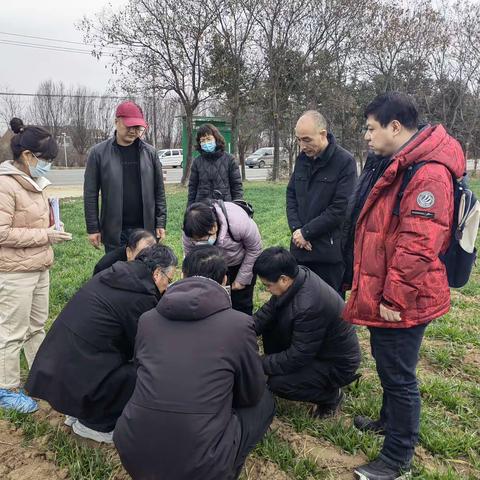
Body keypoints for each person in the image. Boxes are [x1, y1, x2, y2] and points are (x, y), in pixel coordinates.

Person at [343, 92, 465, 480]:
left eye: (370, 127)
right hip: (388, 289)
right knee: (388, 363)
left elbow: (419, 243)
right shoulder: (399, 163)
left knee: (398, 374)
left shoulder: (427, 173)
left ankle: (397, 458)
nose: (366, 135)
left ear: (395, 127)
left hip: (403, 297)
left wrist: (393, 295)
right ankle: (387, 421)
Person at [114, 246, 275, 480]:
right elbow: (250, 394)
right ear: (224, 280)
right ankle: (229, 468)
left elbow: (140, 372)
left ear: (182, 275)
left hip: (132, 450)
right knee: (265, 401)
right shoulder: (238, 325)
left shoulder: (148, 320)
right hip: (203, 465)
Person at [25, 245, 178, 443]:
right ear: (157, 273)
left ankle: (80, 412)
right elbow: (146, 346)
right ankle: (95, 425)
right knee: (144, 372)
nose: (167, 287)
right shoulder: (140, 295)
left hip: (58, 371)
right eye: (169, 280)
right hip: (82, 378)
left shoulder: (117, 274)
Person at [0, 118, 72, 414]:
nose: (49, 166)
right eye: (47, 160)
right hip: (14, 272)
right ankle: (6, 388)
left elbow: (31, 222)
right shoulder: (6, 185)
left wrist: (52, 226)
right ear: (28, 156)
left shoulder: (36, 183)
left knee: (36, 327)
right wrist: (45, 234)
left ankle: (39, 376)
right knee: (12, 330)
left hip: (39, 266)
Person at [253, 247, 361, 418]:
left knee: (277, 383)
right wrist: (243, 331)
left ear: (283, 279)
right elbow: (268, 311)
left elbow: (299, 356)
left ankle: (331, 396)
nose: (267, 290)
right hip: (317, 347)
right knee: (271, 329)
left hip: (336, 362)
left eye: (267, 285)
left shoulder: (308, 306)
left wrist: (259, 363)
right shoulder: (297, 278)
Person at [286, 110, 357, 292]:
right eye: (298, 139)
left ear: (323, 134)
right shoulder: (302, 159)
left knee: (330, 310)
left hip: (328, 254)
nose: (302, 145)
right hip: (300, 249)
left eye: (307, 139)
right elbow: (291, 195)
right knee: (299, 307)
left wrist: (307, 233)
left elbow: (340, 209)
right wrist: (296, 230)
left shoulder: (345, 162)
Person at [84, 100, 167, 252]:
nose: (133, 131)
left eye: (137, 127)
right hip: (115, 231)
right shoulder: (98, 153)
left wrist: (160, 223)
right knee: (116, 271)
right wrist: (93, 228)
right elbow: (90, 194)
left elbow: (159, 191)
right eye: (129, 125)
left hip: (145, 229)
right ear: (116, 122)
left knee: (144, 271)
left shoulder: (150, 153)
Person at [182, 201, 262, 315]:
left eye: (202, 239)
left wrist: (241, 279)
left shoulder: (238, 221)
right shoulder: (189, 230)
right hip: (211, 265)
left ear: (214, 227)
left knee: (241, 303)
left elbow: (254, 249)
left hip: (239, 264)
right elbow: (190, 255)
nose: (199, 244)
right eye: (196, 241)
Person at [187, 123, 243, 206]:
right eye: (202, 140)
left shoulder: (230, 159)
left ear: (216, 138)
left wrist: (238, 207)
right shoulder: (197, 162)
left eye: (208, 139)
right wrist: (190, 209)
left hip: (225, 206)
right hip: (202, 208)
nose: (206, 142)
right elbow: (192, 189)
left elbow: (236, 187)